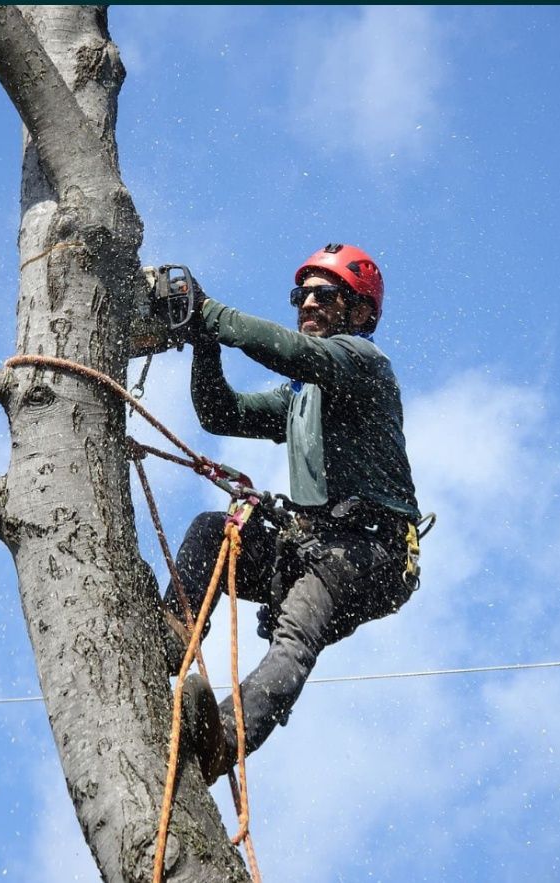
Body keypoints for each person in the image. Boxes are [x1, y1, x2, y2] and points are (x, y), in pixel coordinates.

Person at [163, 243, 422, 784]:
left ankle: (223, 742)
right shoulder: (302, 396)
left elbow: (292, 353)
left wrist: (209, 312)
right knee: (213, 532)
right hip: (314, 543)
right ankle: (173, 632)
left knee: (295, 636)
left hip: (367, 550)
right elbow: (219, 412)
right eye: (299, 295)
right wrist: (203, 342)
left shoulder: (362, 364)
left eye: (323, 295)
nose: (306, 303)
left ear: (360, 313)